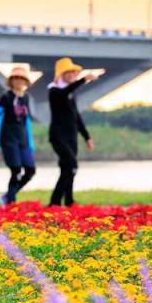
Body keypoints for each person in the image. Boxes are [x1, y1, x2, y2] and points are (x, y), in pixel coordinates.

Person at [48, 57, 99, 207]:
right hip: (58, 136)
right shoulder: (54, 90)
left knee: (68, 169)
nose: (71, 75)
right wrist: (84, 80)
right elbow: (64, 92)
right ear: (61, 74)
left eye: (73, 72)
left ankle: (68, 201)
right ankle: (54, 202)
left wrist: (87, 137)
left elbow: (76, 116)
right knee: (71, 165)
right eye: (68, 72)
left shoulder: (71, 93)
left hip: (72, 136)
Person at [0, 65, 35, 206]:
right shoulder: (5, 97)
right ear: (11, 81)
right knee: (15, 170)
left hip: (23, 140)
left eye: (21, 78)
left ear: (26, 81)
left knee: (30, 171)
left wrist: (30, 142)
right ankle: (11, 203)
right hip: (8, 139)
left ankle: (7, 196)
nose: (18, 81)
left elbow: (27, 121)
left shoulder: (26, 97)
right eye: (15, 78)